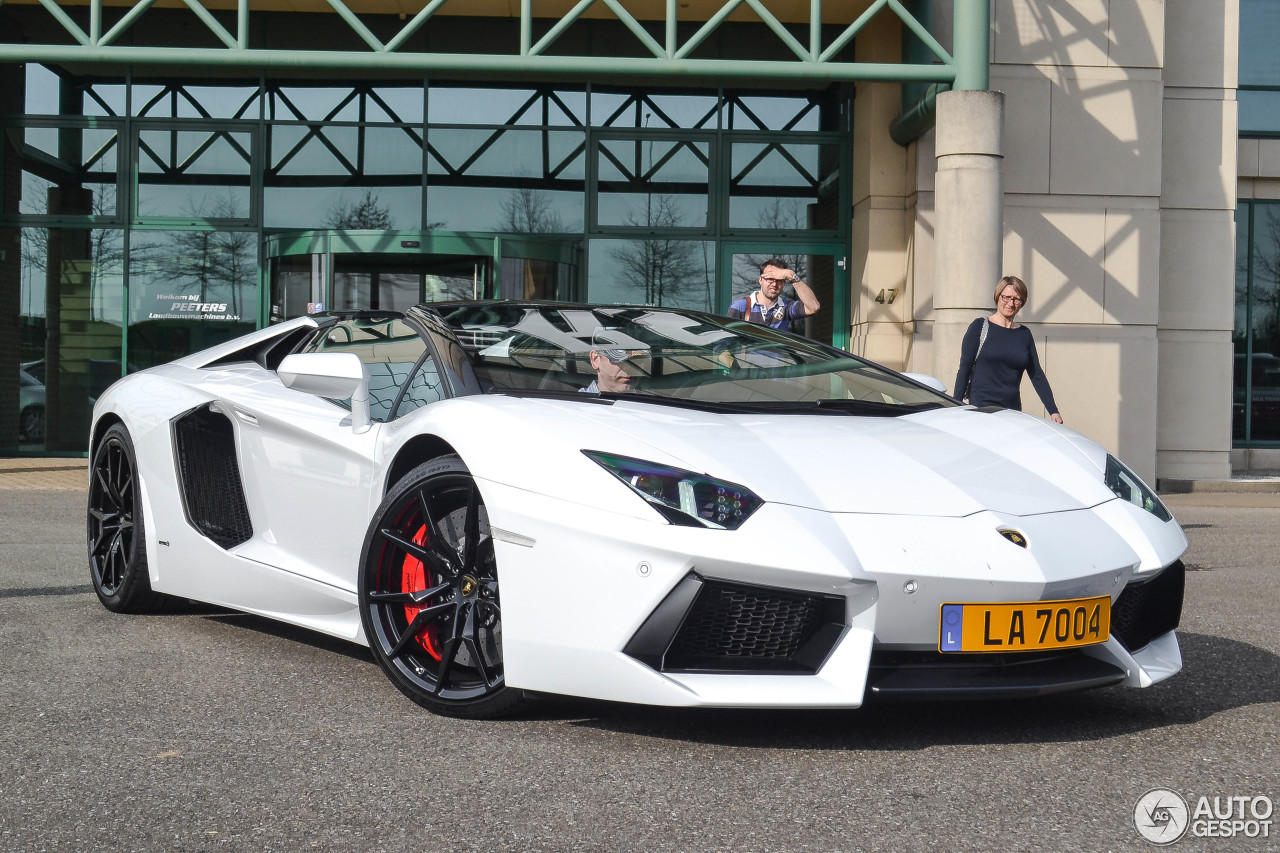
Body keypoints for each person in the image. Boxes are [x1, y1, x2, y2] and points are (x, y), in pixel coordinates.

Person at [952, 275, 1064, 424]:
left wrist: (1053, 410)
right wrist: (956, 406)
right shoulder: (979, 327)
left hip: (1012, 411)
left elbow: (1036, 374)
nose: (1010, 303)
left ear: (1022, 303)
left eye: (1016, 299)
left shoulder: (1024, 334)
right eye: (1006, 297)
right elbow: (964, 368)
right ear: (998, 297)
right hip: (981, 409)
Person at [727, 258, 821, 333]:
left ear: (784, 283)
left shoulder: (786, 307)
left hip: (778, 357)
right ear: (760, 280)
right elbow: (725, 340)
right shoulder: (741, 306)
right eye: (770, 279)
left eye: (779, 280)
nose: (774, 284)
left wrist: (792, 276)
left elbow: (813, 307)